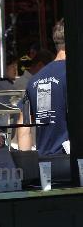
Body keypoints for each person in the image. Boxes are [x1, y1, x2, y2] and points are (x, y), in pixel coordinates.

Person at [17, 19, 68, 155]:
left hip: (45, 166)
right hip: (76, 165)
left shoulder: (36, 80)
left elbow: (24, 127)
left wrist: (28, 169)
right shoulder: (75, 75)